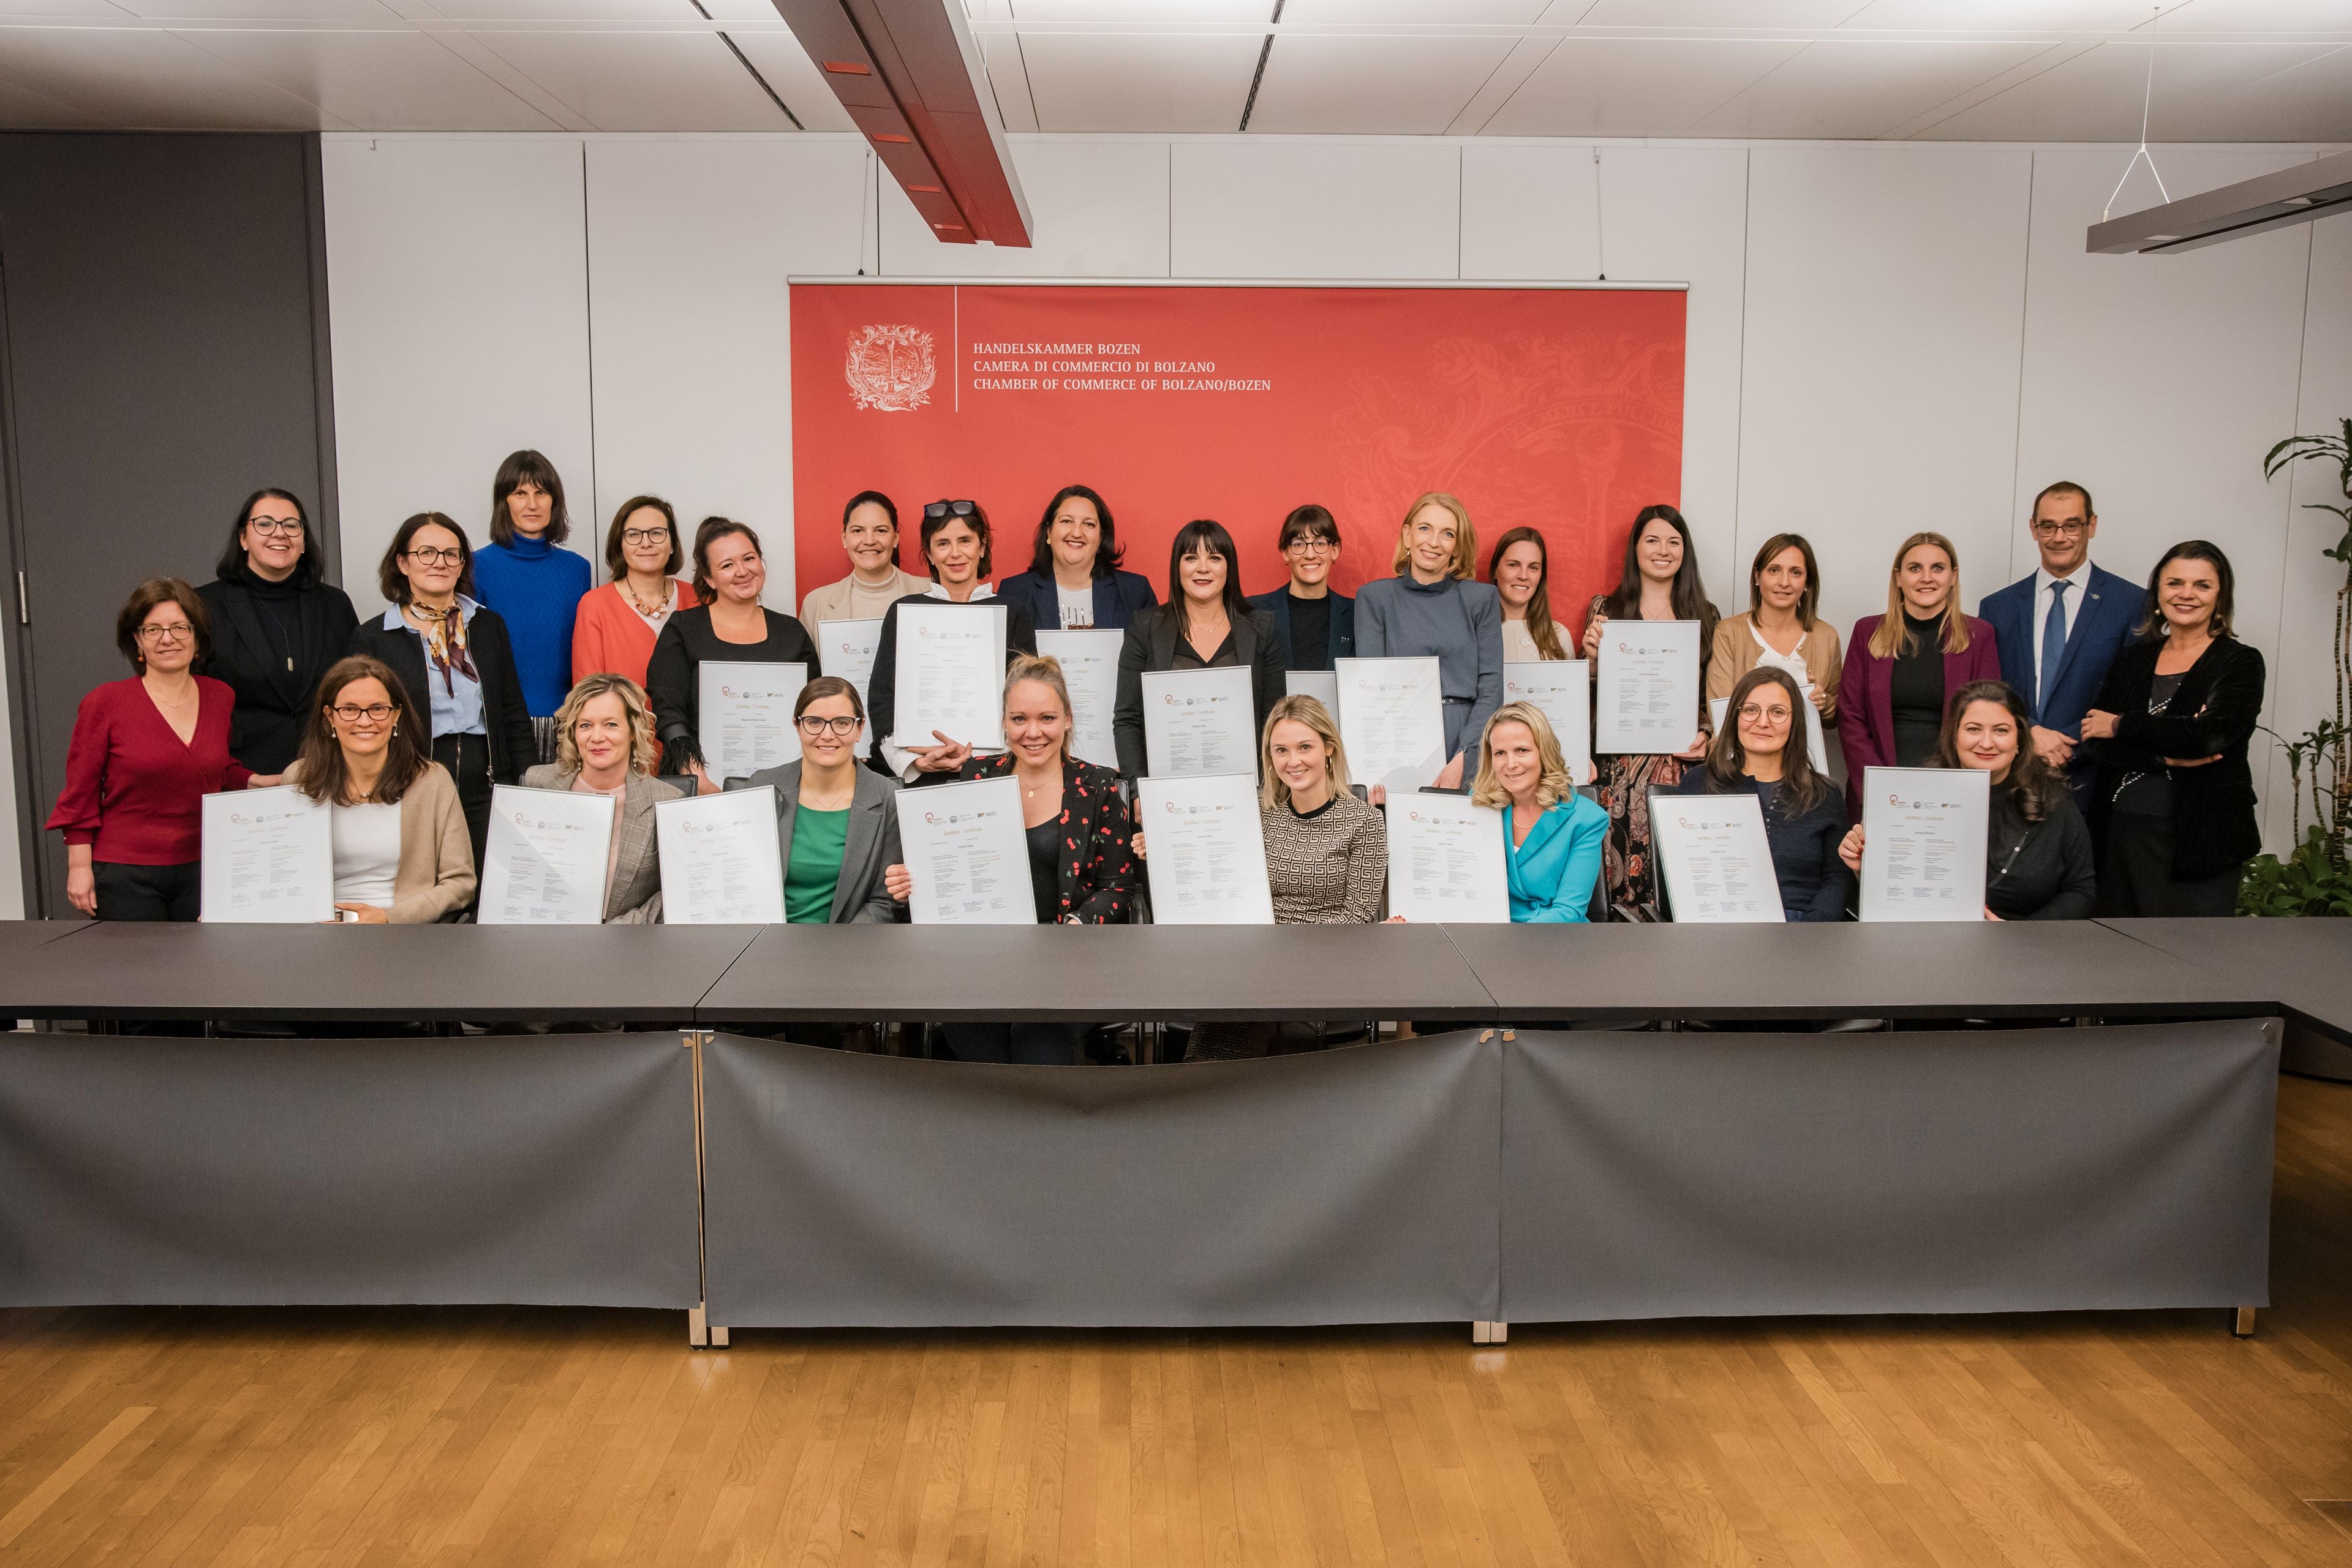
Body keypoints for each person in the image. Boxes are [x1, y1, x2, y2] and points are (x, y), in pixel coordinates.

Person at [883, 655, 1137, 1065]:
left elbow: (1118, 886)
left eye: (1047, 718)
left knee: (1038, 1047)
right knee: (980, 1046)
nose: (1033, 732)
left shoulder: (1099, 785)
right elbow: (942, 865)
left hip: (1068, 966)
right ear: (1003, 721)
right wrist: (910, 882)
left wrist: (1076, 925)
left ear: (1068, 719)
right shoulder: (976, 776)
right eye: (1019, 719)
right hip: (981, 962)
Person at [1143, 694, 1386, 1060]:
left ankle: (1217, 1097)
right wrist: (1165, 844)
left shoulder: (1364, 821)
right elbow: (1214, 864)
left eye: (1305, 747)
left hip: (1327, 963)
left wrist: (1285, 950)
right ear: (1270, 758)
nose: (1293, 761)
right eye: (1281, 751)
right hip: (1252, 961)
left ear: (1329, 749)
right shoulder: (1257, 811)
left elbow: (1361, 916)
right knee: (1242, 1006)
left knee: (1251, 1013)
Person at [48, 578, 256, 920]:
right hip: (126, 872)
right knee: (139, 974)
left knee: (207, 972)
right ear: (137, 640)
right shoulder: (105, 702)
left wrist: (262, 782)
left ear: (197, 638)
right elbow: (80, 793)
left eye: (179, 627)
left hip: (206, 867)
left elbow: (215, 769)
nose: (168, 638)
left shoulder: (220, 696)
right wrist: (79, 867)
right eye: (153, 630)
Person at [2079, 541, 2264, 918]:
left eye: (2202, 585)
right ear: (2158, 592)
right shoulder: (2135, 659)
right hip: (2122, 832)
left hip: (2203, 838)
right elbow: (2096, 742)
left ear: (2220, 595)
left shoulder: (2239, 662)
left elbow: (2210, 737)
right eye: (2174, 583)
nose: (2186, 595)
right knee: (2120, 957)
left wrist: (2122, 725)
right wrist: (2165, 753)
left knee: (2192, 958)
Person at [347, 512, 534, 882]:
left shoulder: (487, 625)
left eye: (452, 554)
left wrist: (527, 780)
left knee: (492, 889)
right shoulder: (374, 638)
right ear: (402, 562)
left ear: (462, 564)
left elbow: (512, 709)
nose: (440, 562)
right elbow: (361, 723)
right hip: (412, 784)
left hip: (488, 782)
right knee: (427, 894)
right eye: (427, 553)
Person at [1839, 679, 2096, 921]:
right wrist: (1866, 869)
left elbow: (2081, 890)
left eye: (2001, 731)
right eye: (1973, 729)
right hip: (1928, 942)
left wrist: (2023, 935)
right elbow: (1895, 895)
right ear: (1954, 736)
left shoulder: (2052, 798)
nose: (1987, 743)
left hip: (2028, 950)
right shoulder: (1913, 796)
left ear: (2019, 739)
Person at [1581, 503, 1718, 914]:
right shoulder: (1606, 610)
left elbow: (1712, 699)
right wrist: (1588, 664)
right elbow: (1584, 699)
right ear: (1635, 549)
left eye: (1674, 542)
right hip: (1616, 769)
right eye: (1653, 540)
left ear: (1685, 551)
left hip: (1680, 765)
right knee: (1613, 875)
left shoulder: (1706, 617)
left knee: (1676, 876)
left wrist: (1708, 737)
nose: (1664, 550)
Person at [1976, 481, 2143, 796]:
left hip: (2094, 782)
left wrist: (2066, 745)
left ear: (2091, 525)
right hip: (2011, 780)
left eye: (2072, 525)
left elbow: (2130, 695)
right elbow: (1989, 689)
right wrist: (2030, 733)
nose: (2059, 537)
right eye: (2048, 526)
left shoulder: (2131, 603)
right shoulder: (1998, 607)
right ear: (2033, 529)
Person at [284, 655, 474, 923]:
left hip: (405, 933)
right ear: (329, 718)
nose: (365, 721)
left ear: (395, 715)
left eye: (377, 709)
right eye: (349, 709)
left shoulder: (432, 781)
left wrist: (390, 917)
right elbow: (280, 875)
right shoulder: (299, 778)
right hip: (317, 932)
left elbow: (461, 883)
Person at [865, 499, 1039, 782]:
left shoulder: (1013, 612)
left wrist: (982, 759)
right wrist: (914, 761)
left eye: (965, 541)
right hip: (921, 771)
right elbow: (882, 697)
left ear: (982, 547)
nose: (955, 554)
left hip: (994, 770)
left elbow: (1028, 696)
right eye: (943, 543)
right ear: (930, 554)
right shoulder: (904, 611)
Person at [644, 517, 819, 793]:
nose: (742, 571)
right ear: (709, 579)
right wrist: (697, 779)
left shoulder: (791, 631)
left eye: (749, 558)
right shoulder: (683, 629)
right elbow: (669, 710)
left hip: (789, 786)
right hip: (701, 786)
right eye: (727, 565)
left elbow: (815, 708)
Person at [197, 488, 359, 775]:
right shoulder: (205, 606)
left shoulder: (335, 604)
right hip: (243, 773)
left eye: (291, 525)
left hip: (329, 769)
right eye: (265, 524)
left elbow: (356, 685)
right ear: (243, 539)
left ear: (304, 540)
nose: (280, 533)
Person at [1838, 530, 2000, 812]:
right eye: (1915, 569)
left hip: (1954, 791)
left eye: (1938, 568)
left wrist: (1956, 786)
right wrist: (1879, 785)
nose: (1927, 578)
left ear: (1953, 577)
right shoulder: (1867, 632)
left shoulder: (1979, 636)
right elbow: (1851, 716)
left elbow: (1989, 719)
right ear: (1898, 578)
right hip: (1879, 788)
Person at [1674, 666, 1851, 922]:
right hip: (1719, 929)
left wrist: (1811, 933)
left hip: (1806, 933)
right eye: (1751, 710)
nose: (1763, 722)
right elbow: (1679, 871)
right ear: (1735, 717)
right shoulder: (1699, 784)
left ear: (1795, 722)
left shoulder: (1825, 794)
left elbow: (1838, 877)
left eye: (1777, 712)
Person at [1111, 519, 1283, 780]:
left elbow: (1275, 719)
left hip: (1249, 787)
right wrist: (1138, 792)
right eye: (1191, 558)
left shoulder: (1262, 628)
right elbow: (1128, 720)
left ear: (1229, 568)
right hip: (1165, 788)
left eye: (1215, 558)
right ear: (1177, 567)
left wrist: (1268, 788)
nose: (1202, 568)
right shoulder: (1145, 627)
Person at [1356, 492, 1503, 790]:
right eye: (1425, 529)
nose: (1434, 542)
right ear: (1407, 535)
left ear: (1457, 546)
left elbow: (1492, 687)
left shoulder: (1481, 599)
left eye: (1447, 534)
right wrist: (1378, 769)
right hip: (1400, 742)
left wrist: (1466, 756)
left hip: (1468, 737)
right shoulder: (1375, 598)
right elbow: (1372, 693)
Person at [734, 675, 903, 926]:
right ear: (797, 726)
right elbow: (735, 877)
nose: (827, 734)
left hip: (848, 949)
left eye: (842, 723)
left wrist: (837, 951)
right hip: (763, 944)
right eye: (814, 722)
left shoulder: (887, 799)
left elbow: (882, 902)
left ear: (859, 729)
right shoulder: (762, 788)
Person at [519, 673, 680, 923]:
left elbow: (674, 893)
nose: (596, 737)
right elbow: (517, 871)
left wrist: (613, 933)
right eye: (585, 725)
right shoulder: (538, 784)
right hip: (542, 936)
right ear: (573, 732)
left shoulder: (666, 801)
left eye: (611, 724)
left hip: (625, 945)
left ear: (633, 731)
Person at [469, 450, 592, 760]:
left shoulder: (577, 569)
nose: (532, 504)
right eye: (520, 493)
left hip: (569, 722)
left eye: (541, 492)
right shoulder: (475, 567)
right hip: (499, 722)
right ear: (504, 502)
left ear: (555, 500)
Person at [1476, 700, 1607, 921]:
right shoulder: (1478, 807)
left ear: (1544, 752)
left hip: (1551, 939)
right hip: (1487, 935)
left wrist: (1508, 946)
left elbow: (1569, 911)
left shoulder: (1586, 819)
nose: (1510, 764)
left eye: (1522, 750)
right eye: (1500, 753)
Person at [1707, 532, 1840, 728]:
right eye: (1774, 570)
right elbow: (1720, 712)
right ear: (1757, 576)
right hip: (1742, 755)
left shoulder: (1826, 636)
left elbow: (1836, 717)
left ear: (1806, 582)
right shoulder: (1729, 632)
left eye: (1795, 572)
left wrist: (1824, 702)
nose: (1784, 582)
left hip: (1805, 755)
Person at [570, 495, 700, 688]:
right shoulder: (595, 605)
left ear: (672, 544)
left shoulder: (698, 598)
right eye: (633, 535)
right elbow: (588, 694)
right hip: (622, 719)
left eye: (657, 533)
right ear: (620, 545)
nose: (646, 543)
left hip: (689, 720)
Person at [993, 484, 1158, 632]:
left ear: (1101, 537)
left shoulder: (1135, 591)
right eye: (1067, 521)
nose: (1077, 533)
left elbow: (1152, 660)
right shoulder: (1015, 592)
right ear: (1049, 531)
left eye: (1089, 524)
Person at [797, 490, 930, 628]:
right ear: (844, 538)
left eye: (881, 531)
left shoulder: (932, 592)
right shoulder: (816, 603)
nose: (869, 541)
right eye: (858, 531)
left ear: (895, 537)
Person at [1249, 503, 1357, 672]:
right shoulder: (1255, 612)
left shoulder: (1357, 614)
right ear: (1285, 552)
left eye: (1320, 543)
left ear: (1335, 550)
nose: (1310, 555)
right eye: (1299, 544)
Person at [1489, 527, 1569, 664]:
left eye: (1533, 568)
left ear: (1541, 576)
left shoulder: (1559, 635)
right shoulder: (1474, 633)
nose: (1523, 576)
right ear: (1496, 570)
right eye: (1513, 565)